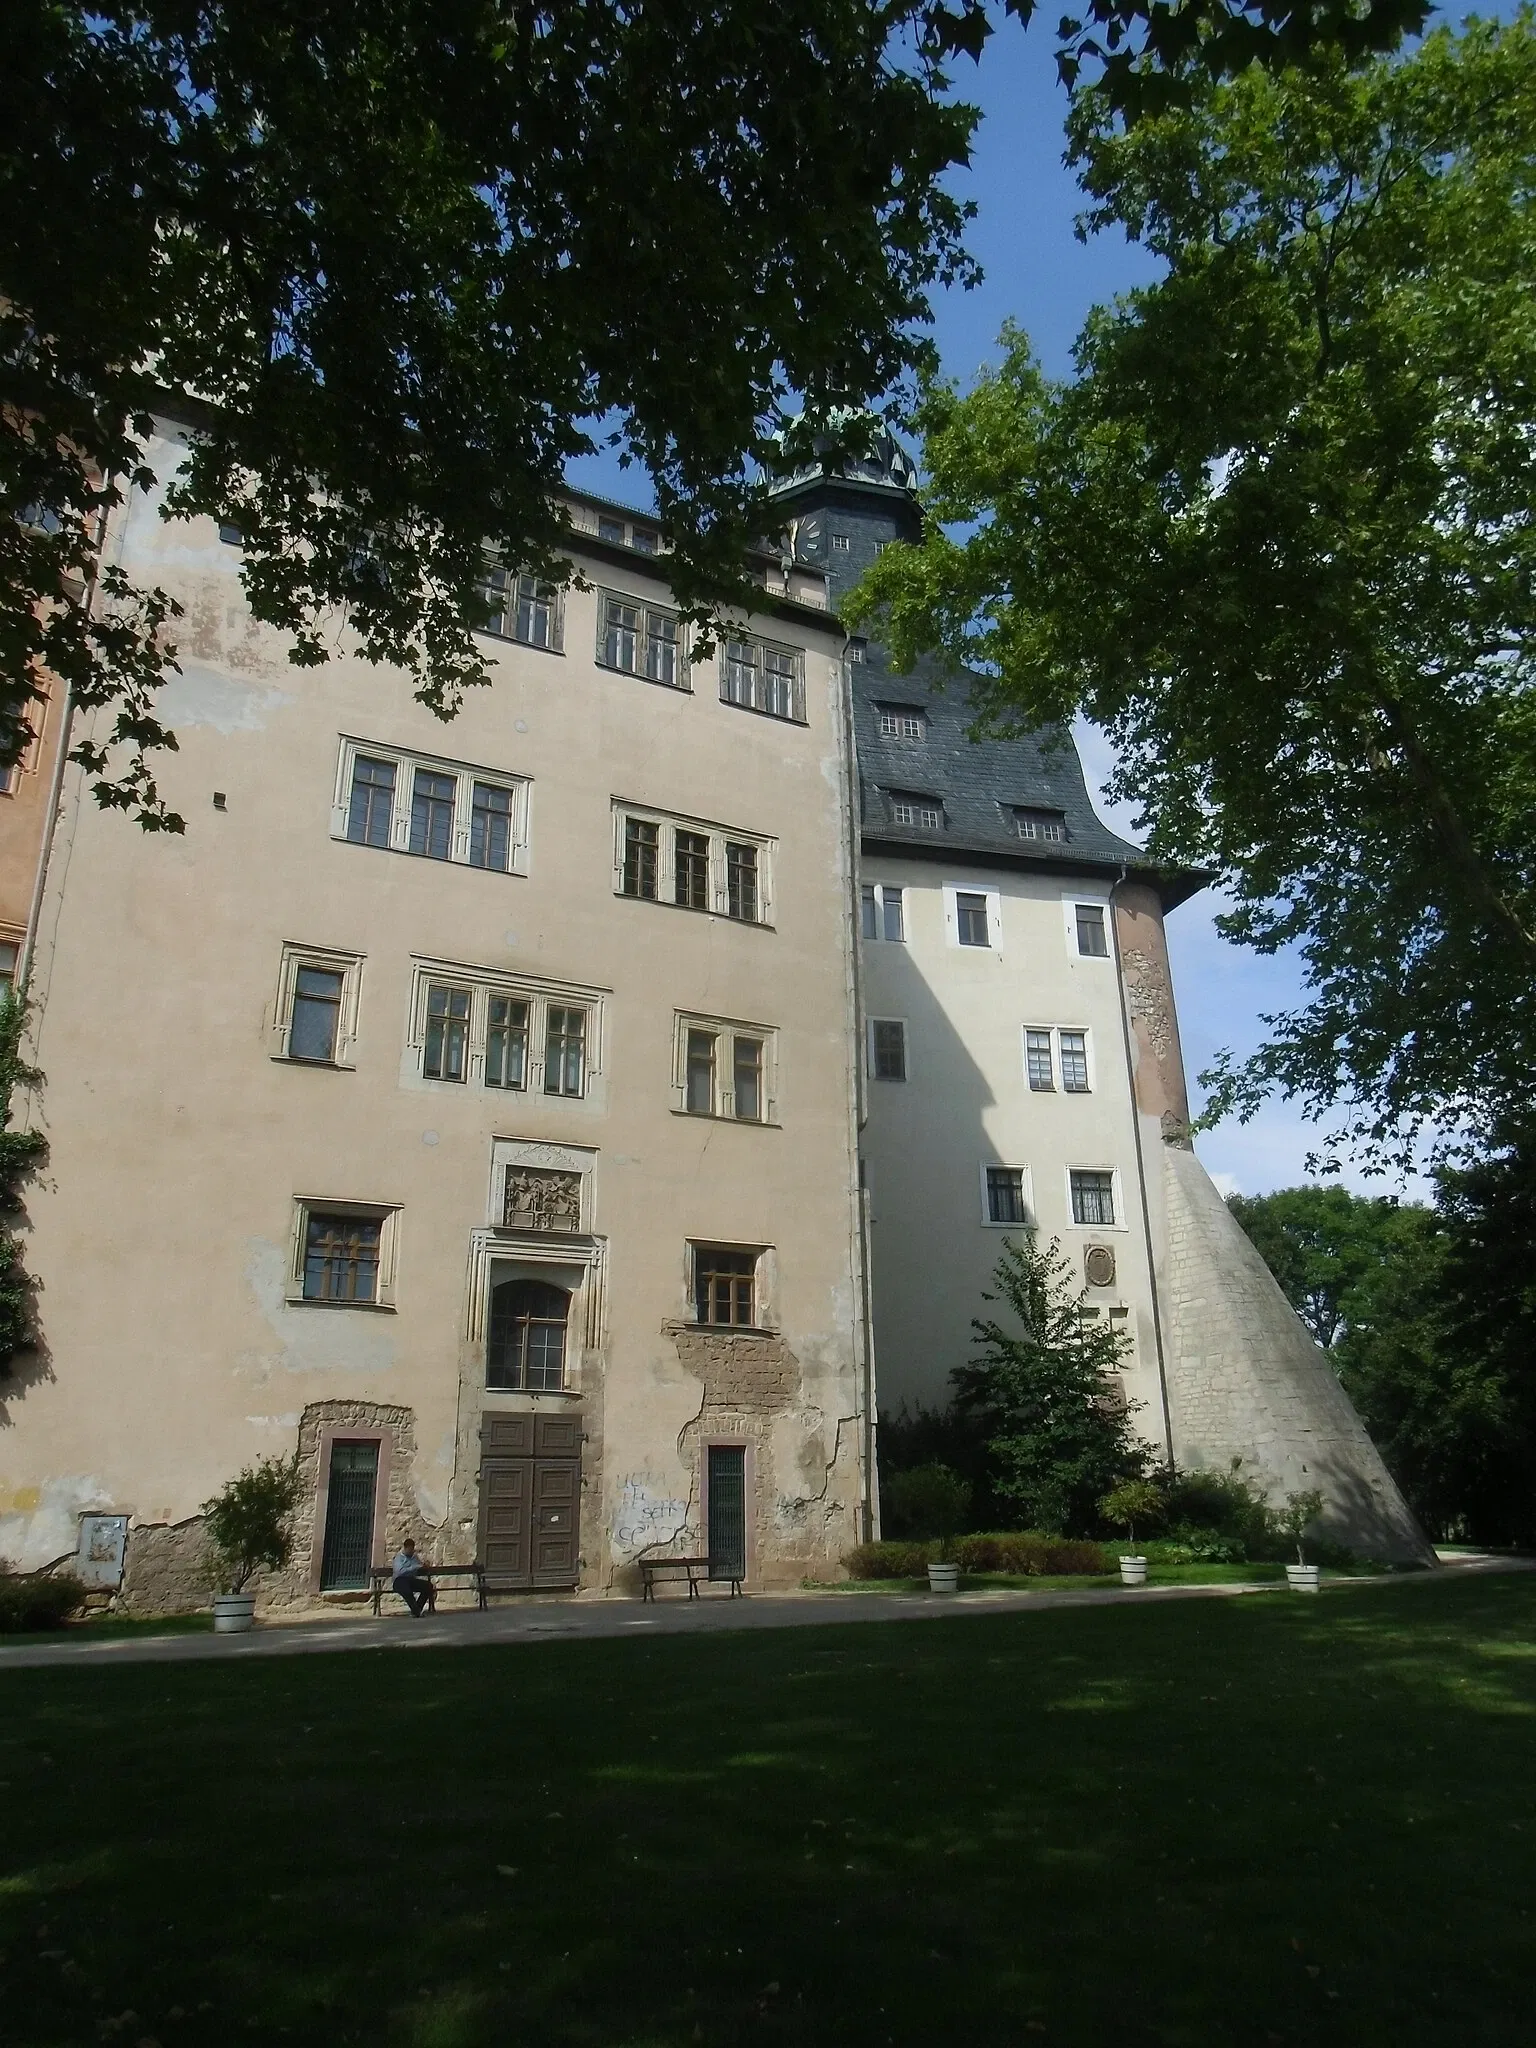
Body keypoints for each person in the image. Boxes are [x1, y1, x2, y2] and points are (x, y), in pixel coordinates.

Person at [391, 1537, 435, 1617]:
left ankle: (417, 1609)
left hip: (411, 1580)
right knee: (406, 1589)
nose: (411, 1551)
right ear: (405, 1548)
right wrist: (414, 1567)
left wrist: (424, 1566)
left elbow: (419, 1566)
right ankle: (416, 1611)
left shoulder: (414, 1557)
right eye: (410, 1549)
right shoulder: (398, 1558)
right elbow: (400, 1571)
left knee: (428, 1586)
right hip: (399, 1581)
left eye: (412, 1549)